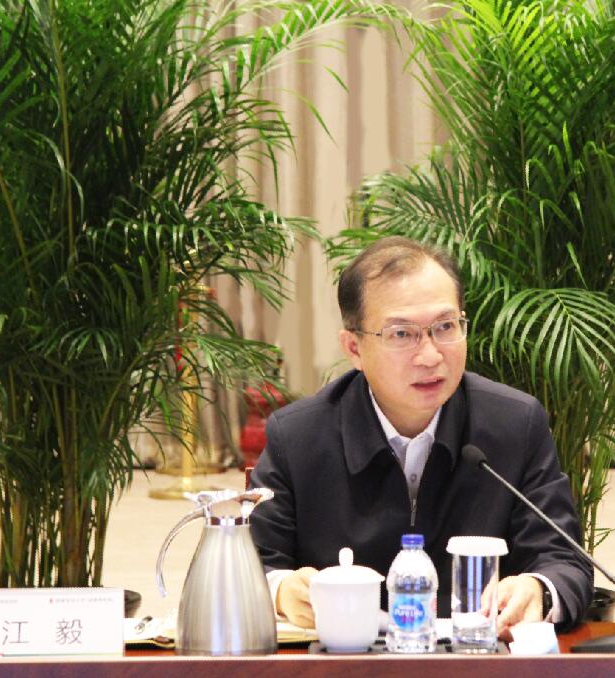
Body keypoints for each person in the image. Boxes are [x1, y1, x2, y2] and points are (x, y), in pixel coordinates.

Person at [250, 236, 593, 637]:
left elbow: (565, 562)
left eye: (445, 327)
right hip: (346, 659)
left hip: (475, 658)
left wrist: (538, 589)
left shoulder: (515, 424)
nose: (430, 356)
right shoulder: (298, 436)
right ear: (354, 347)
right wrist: (281, 589)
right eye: (401, 334)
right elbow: (249, 564)